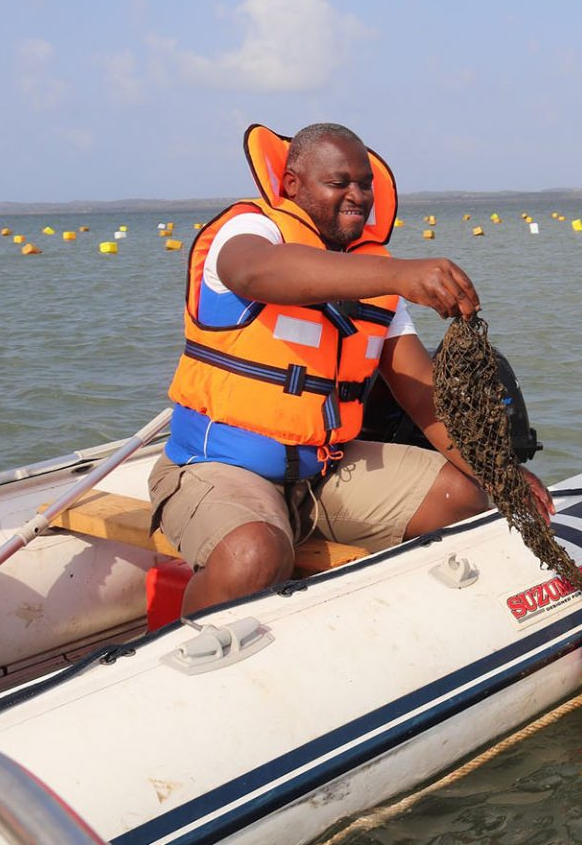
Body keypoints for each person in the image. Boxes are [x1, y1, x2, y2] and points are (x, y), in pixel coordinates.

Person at [148, 123, 550, 616]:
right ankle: (177, 648)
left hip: (321, 469)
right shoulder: (251, 230)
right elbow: (252, 271)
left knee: (459, 496)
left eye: (365, 184)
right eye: (339, 184)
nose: (357, 196)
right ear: (293, 184)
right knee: (254, 554)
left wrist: (502, 475)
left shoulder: (376, 280)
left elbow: (425, 398)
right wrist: (400, 274)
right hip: (219, 467)